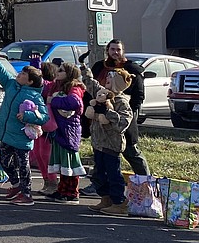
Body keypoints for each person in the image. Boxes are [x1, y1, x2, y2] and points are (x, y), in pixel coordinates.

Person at [0, 45, 48, 206]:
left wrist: (27, 115)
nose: (19, 74)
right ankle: (16, 185)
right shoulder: (11, 84)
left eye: (24, 74)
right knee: (4, 161)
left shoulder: (35, 96)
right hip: (6, 134)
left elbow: (44, 117)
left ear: (30, 81)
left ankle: (26, 194)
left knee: (24, 165)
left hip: (21, 138)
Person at [90, 39, 150, 176]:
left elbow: (138, 95)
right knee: (100, 152)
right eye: (112, 49)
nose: (115, 52)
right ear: (107, 51)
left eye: (118, 50)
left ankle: (146, 181)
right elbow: (91, 88)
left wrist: (128, 114)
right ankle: (97, 184)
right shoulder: (99, 67)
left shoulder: (130, 69)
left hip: (121, 117)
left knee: (131, 151)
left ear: (123, 51)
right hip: (100, 117)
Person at [83, 68, 134, 216]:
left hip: (112, 144)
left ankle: (119, 202)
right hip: (99, 143)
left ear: (118, 84)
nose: (107, 81)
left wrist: (107, 112)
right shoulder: (102, 95)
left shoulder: (121, 102)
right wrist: (85, 72)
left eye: (111, 79)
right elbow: (92, 85)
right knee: (99, 174)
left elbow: (123, 123)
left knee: (113, 175)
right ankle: (106, 198)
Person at [44, 62, 87, 203]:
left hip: (69, 130)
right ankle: (62, 190)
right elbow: (43, 85)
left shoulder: (75, 87)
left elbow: (74, 103)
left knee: (70, 163)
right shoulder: (57, 85)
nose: (58, 71)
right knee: (63, 163)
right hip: (59, 129)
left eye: (61, 70)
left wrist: (54, 100)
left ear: (69, 73)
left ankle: (72, 193)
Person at [31, 62, 58, 195]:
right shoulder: (41, 87)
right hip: (37, 123)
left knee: (45, 154)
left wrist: (35, 66)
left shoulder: (51, 86)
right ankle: (46, 181)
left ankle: (53, 182)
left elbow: (44, 85)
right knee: (37, 153)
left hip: (47, 125)